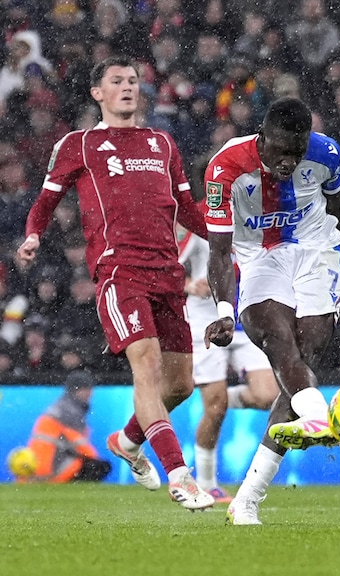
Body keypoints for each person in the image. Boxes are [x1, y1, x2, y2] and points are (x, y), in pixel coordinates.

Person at [18, 56, 214, 510]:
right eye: (116, 82)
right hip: (118, 270)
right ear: (97, 93)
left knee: (180, 384)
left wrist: (232, 239)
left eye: (132, 81)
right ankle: (180, 476)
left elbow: (188, 214)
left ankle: (127, 441)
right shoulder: (80, 144)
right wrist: (32, 234)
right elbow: (46, 200)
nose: (127, 87)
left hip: (168, 273)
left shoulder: (162, 144)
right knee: (145, 367)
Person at [203, 97, 340, 525]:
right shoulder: (225, 169)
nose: (288, 161)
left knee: (301, 362)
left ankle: (247, 498)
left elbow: (339, 211)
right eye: (279, 151)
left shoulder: (326, 153)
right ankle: (316, 416)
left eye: (297, 150)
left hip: (315, 250)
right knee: (277, 342)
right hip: (257, 259)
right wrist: (223, 309)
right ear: (262, 138)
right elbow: (218, 251)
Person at [177, 224, 278, 503]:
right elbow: (166, 263)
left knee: (267, 395)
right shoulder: (200, 223)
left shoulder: (258, 219)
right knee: (215, 407)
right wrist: (187, 284)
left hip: (244, 321)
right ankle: (206, 483)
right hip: (204, 321)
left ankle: (220, 399)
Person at [21, 370, 112, 483]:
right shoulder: (71, 412)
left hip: (39, 467)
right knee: (101, 467)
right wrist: (95, 459)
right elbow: (79, 444)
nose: (90, 393)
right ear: (75, 390)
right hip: (56, 469)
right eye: (86, 389)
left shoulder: (60, 407)